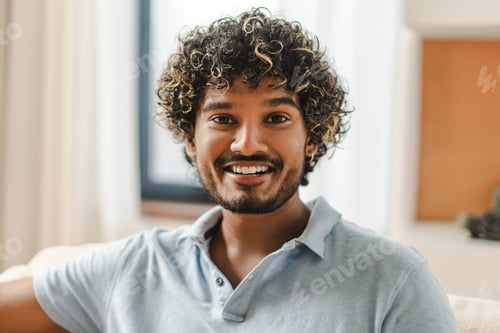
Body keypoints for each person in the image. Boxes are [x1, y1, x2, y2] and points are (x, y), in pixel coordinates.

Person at [0, 8, 458, 332]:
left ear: (313, 136)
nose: (248, 143)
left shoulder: (392, 277)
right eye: (223, 118)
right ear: (190, 136)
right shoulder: (135, 266)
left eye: (277, 118)